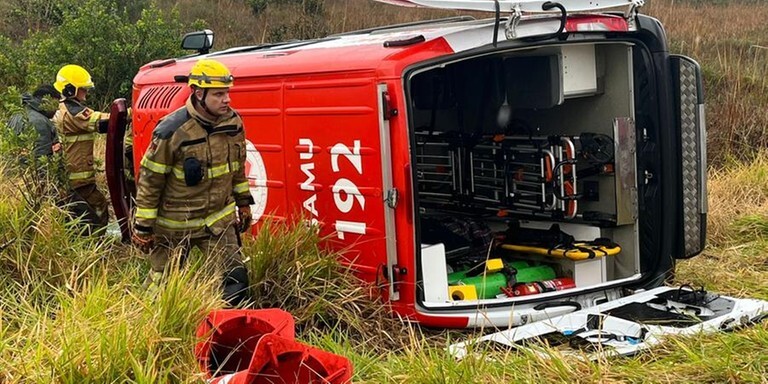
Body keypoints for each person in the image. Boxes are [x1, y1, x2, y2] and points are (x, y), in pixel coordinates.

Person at [131, 58, 253, 306]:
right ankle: (148, 322)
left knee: (235, 279)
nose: (227, 100)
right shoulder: (172, 131)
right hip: (176, 225)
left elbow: (237, 169)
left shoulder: (233, 124)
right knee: (161, 288)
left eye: (227, 93)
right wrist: (143, 227)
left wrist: (243, 203)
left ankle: (230, 324)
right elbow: (150, 181)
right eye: (218, 94)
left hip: (218, 221)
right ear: (199, 94)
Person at [52, 64, 112, 232]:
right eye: (83, 89)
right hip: (77, 176)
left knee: (78, 211)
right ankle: (97, 240)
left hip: (73, 174)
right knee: (98, 205)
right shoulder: (73, 112)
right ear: (70, 90)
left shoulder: (64, 109)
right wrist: (130, 113)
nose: (85, 93)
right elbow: (102, 122)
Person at [6, 84, 62, 161]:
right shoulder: (40, 122)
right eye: (55, 104)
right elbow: (40, 159)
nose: (57, 108)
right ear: (47, 101)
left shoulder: (17, 114)